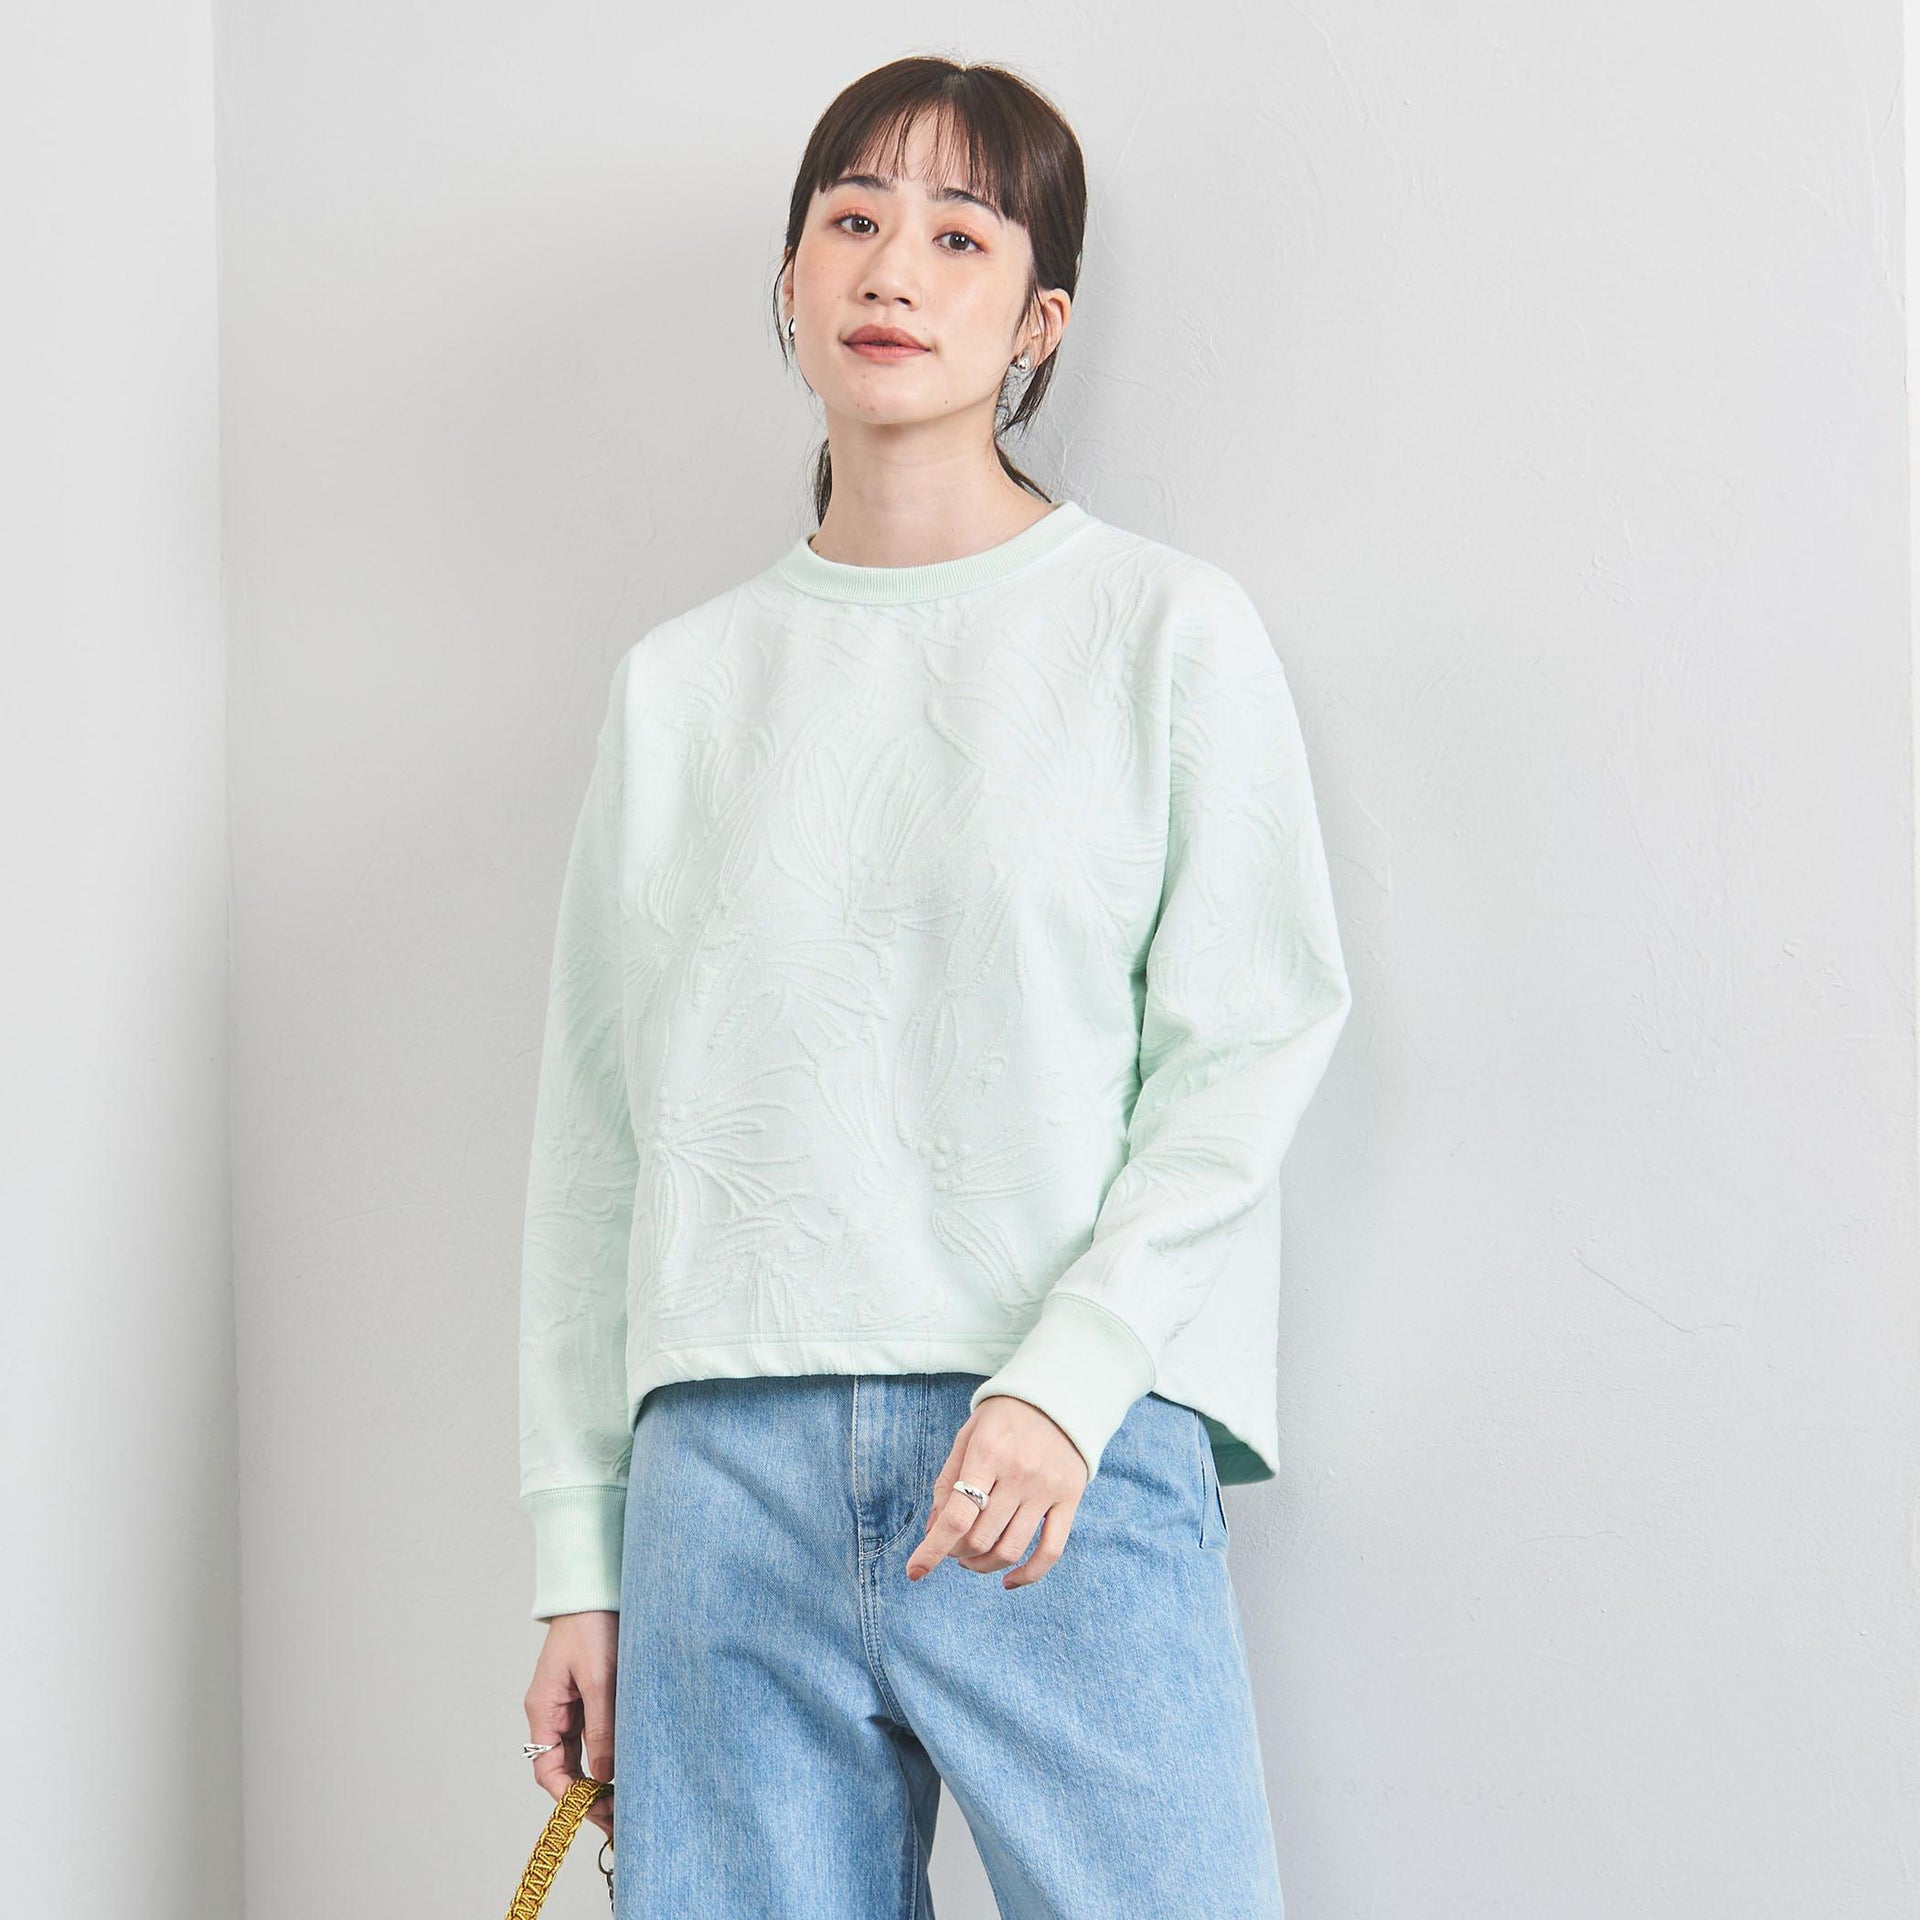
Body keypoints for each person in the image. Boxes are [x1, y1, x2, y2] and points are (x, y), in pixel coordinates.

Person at [517, 54, 1352, 1920]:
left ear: (1039, 321)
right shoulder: (679, 689)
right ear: (793, 281)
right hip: (720, 1481)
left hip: (1058, 1452)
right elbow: (597, 1135)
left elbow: (1246, 1041)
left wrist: (1075, 1383)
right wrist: (582, 1555)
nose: (895, 267)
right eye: (854, 220)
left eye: (961, 235)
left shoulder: (1164, 632)